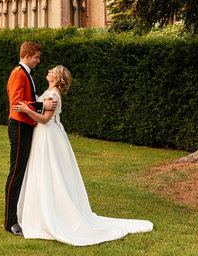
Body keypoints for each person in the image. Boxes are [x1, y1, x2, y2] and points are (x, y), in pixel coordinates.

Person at [11, 65, 153, 246]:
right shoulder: (50, 91)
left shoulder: (53, 95)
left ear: (57, 78)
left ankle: (50, 212)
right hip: (45, 135)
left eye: (52, 71)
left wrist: (27, 110)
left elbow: (45, 120)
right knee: (42, 171)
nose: (48, 72)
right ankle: (41, 210)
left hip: (48, 135)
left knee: (49, 171)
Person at [4, 41, 57, 236]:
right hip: (19, 127)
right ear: (27, 56)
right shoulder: (18, 73)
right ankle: (10, 222)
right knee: (16, 174)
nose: (38, 61)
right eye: (36, 57)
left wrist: (40, 103)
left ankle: (17, 217)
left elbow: (27, 98)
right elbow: (16, 103)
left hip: (25, 126)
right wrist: (43, 107)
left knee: (20, 173)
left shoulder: (26, 73)